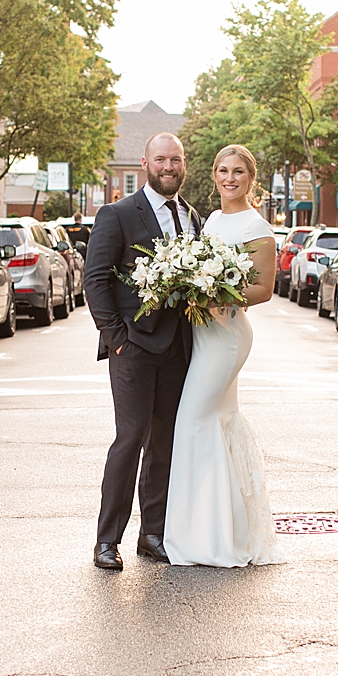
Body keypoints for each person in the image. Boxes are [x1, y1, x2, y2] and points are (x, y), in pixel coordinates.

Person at [82, 133, 201, 572]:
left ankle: (152, 534)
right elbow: (95, 280)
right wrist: (116, 338)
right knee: (129, 440)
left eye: (176, 159)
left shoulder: (191, 218)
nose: (169, 167)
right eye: (161, 159)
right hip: (131, 347)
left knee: (164, 444)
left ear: (183, 164)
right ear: (145, 162)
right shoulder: (116, 214)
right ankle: (106, 541)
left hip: (177, 348)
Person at [164, 144, 284, 568]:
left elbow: (263, 289)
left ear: (251, 179)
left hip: (228, 335)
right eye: (221, 170)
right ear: (213, 174)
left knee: (194, 419)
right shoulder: (212, 219)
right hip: (202, 333)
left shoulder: (259, 227)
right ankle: (219, 528)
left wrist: (210, 291)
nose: (228, 178)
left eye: (237, 172)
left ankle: (206, 537)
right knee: (216, 422)